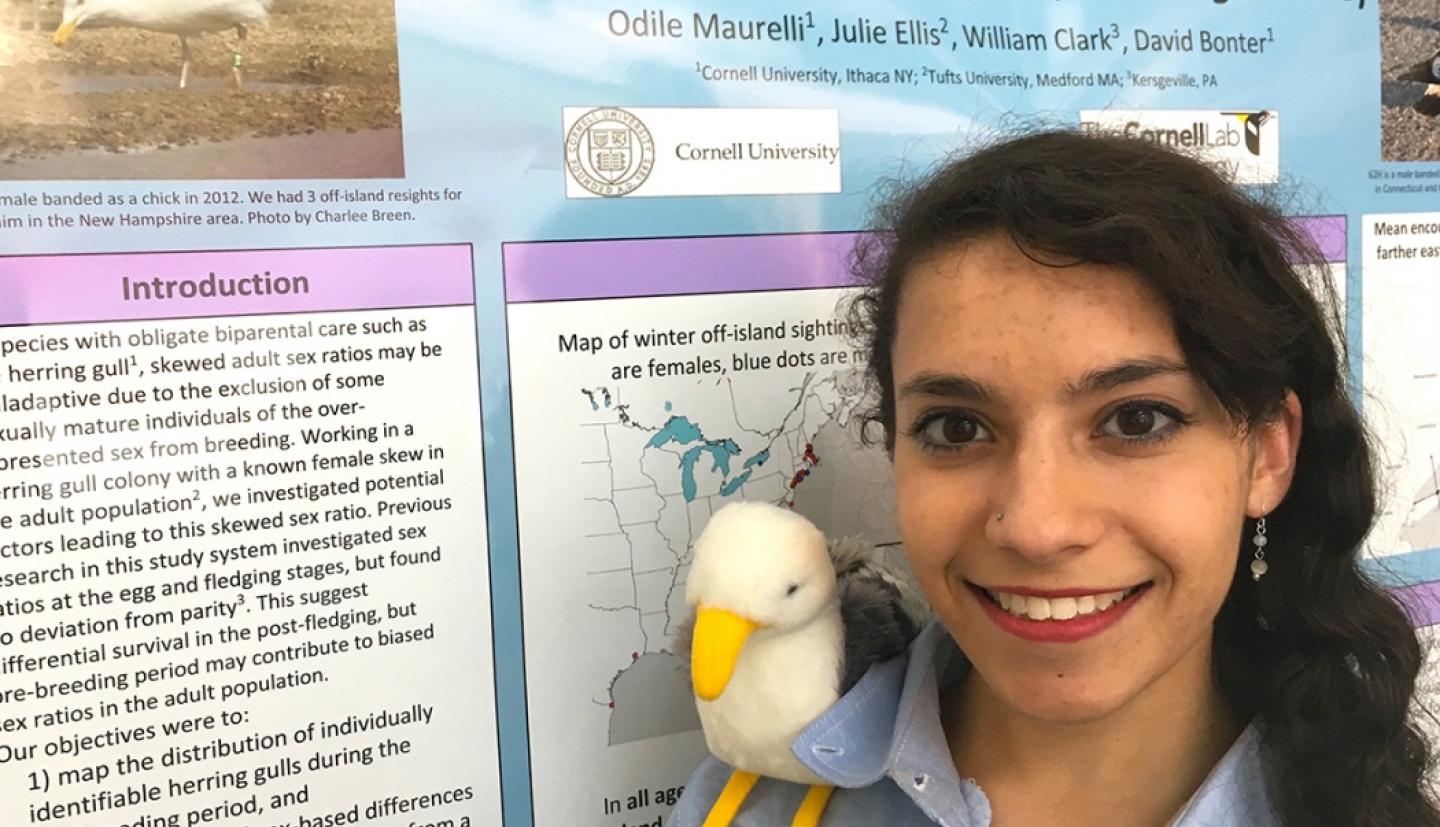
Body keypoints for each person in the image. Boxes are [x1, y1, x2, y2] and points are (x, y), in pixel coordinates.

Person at [671, 130, 1440, 826]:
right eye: (957, 427)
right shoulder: (754, 805)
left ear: (1268, 453)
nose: (1037, 527)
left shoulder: (1360, 796)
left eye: (1137, 420)